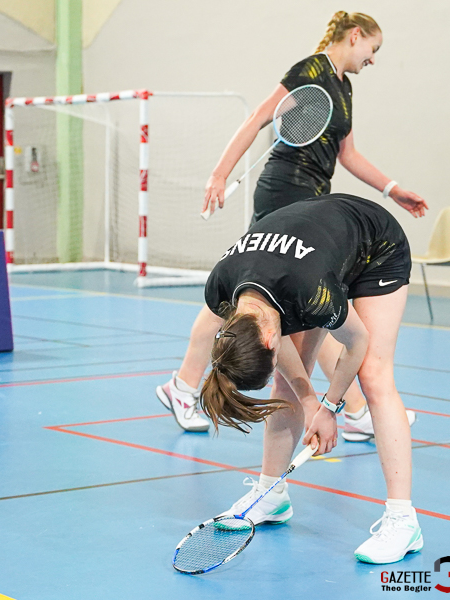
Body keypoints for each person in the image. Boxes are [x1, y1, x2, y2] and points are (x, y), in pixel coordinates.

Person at [158, 11, 426, 436]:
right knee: (265, 300)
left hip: (313, 198)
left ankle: (186, 385)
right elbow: (258, 118)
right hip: (284, 191)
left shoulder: (344, 87)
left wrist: (392, 189)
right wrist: (219, 174)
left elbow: (348, 155)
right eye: (372, 48)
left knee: (287, 305)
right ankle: (187, 386)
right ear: (355, 35)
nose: (372, 59)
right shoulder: (310, 71)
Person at [162, 194, 422, 563]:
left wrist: (330, 408)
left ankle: (404, 520)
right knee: (286, 384)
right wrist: (308, 401)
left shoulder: (311, 292)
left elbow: (357, 341)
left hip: (374, 244)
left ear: (269, 339)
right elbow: (280, 347)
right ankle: (271, 495)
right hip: (312, 257)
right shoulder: (222, 289)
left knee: (374, 377)